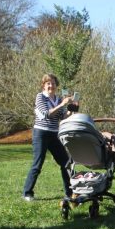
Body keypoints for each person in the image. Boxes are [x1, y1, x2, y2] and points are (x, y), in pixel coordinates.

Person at [22, 73, 76, 202]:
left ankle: (69, 193)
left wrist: (72, 109)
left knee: (66, 163)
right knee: (37, 164)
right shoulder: (40, 97)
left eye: (53, 83)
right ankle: (27, 193)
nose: (51, 85)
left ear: (56, 86)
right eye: (48, 83)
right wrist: (62, 104)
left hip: (53, 134)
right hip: (40, 133)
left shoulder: (58, 99)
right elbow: (47, 114)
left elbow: (63, 117)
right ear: (44, 85)